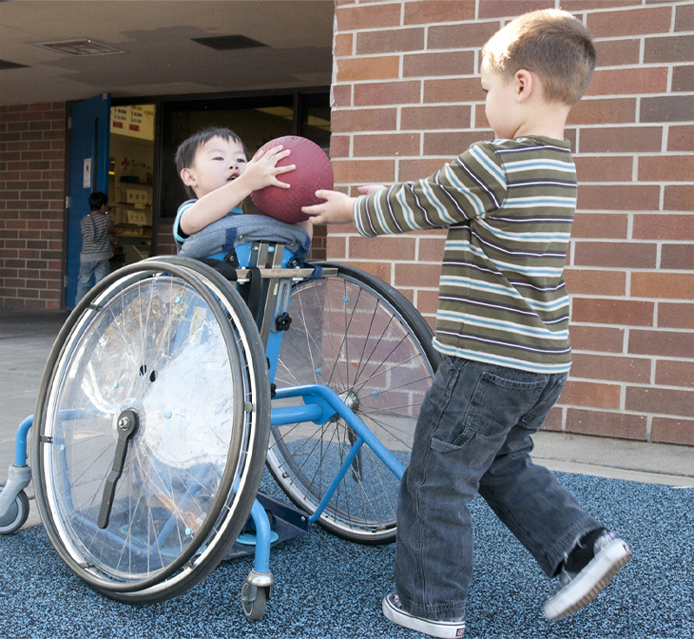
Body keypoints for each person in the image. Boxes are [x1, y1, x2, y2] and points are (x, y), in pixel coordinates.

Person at [303, 9, 631, 639]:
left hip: (483, 361)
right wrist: (374, 195)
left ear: (523, 85)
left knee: (435, 479)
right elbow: (445, 198)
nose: (484, 103)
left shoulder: (496, 160)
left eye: (486, 89)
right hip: (539, 362)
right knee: (501, 461)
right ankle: (585, 546)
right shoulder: (558, 168)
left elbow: (427, 200)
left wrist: (351, 210)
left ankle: (428, 607)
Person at [173, 127, 312, 262]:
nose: (233, 164)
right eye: (219, 158)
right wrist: (247, 182)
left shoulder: (254, 227)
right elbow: (191, 222)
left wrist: (300, 202)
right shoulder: (190, 212)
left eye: (240, 160)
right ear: (190, 177)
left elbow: (302, 241)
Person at [75, 191, 114, 304]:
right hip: (102, 257)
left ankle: (79, 309)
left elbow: (84, 233)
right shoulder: (105, 220)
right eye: (106, 205)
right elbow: (109, 228)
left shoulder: (84, 221)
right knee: (101, 284)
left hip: (86, 257)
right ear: (103, 206)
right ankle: (100, 308)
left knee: (83, 283)